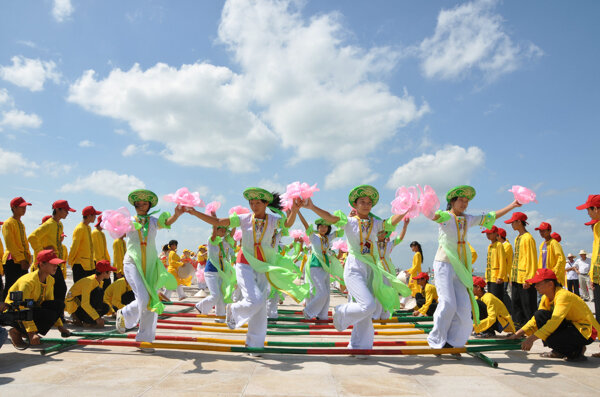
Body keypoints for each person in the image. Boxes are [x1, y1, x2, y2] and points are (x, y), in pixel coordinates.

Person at [186, 188, 304, 352]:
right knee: (254, 299)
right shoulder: (244, 218)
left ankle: (254, 343)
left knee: (261, 305)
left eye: (257, 203)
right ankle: (233, 309)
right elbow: (219, 221)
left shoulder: (273, 219)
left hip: (263, 266)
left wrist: (295, 211)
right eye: (251, 203)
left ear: (266, 204)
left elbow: (288, 224)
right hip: (244, 263)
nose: (254, 206)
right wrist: (195, 213)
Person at [302, 185, 411, 352]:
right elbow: (331, 218)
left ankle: (359, 346)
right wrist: (312, 207)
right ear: (355, 204)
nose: (366, 205)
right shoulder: (349, 221)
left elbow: (390, 222)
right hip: (354, 267)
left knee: (366, 311)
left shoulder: (375, 223)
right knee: (367, 305)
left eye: (369, 202)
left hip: (370, 268)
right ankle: (340, 311)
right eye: (362, 202)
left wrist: (407, 208)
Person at [425, 185, 519, 354]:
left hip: (461, 267)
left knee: (464, 307)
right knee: (447, 304)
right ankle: (436, 339)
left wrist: (512, 205)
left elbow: (490, 217)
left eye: (466, 201)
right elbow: (433, 216)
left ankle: (453, 342)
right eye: (461, 200)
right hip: (444, 264)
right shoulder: (446, 216)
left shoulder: (468, 219)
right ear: (452, 202)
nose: (464, 203)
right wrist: (425, 205)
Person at [114, 189, 183, 352]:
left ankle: (145, 339)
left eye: (144, 203)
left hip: (150, 266)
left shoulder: (152, 221)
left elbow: (167, 222)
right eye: (138, 203)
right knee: (144, 298)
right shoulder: (129, 220)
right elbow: (117, 231)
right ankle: (124, 313)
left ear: (149, 205)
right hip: (132, 262)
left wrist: (177, 214)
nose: (140, 205)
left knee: (152, 301)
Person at [509, 268, 600, 362]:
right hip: (571, 325)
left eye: (538, 283)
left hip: (587, 331)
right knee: (540, 315)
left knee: (551, 339)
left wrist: (531, 339)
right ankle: (560, 351)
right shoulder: (546, 297)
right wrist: (518, 334)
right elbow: (535, 320)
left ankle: (576, 352)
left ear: (550, 284)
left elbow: (554, 322)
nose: (535, 286)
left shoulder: (563, 296)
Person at [4, 249, 71, 348]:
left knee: (58, 305)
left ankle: (26, 332)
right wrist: (31, 333)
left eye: (57, 264)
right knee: (46, 313)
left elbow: (50, 304)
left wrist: (61, 327)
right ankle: (16, 331)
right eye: (53, 264)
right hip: (15, 312)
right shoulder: (28, 282)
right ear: (42, 264)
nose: (56, 267)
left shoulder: (50, 280)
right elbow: (23, 308)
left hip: (32, 308)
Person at [297, 212, 345, 320]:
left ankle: (322, 316)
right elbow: (305, 225)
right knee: (321, 293)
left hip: (325, 267)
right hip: (315, 266)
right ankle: (308, 311)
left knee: (326, 294)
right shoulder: (313, 237)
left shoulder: (328, 238)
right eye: (321, 226)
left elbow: (341, 230)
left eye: (326, 226)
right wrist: (298, 212)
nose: (323, 228)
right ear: (317, 228)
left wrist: (350, 216)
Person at [29, 200, 76, 307]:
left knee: (57, 288)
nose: (67, 213)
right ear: (57, 210)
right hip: (48, 263)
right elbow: (32, 237)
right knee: (57, 288)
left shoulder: (59, 225)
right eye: (66, 210)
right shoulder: (49, 224)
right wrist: (42, 252)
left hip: (55, 263)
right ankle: (54, 314)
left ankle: (56, 314)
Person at [194, 223, 235, 321]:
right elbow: (214, 232)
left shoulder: (224, 242)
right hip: (211, 272)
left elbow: (232, 234)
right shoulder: (211, 240)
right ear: (216, 230)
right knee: (215, 295)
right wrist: (215, 221)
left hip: (221, 272)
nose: (224, 232)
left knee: (221, 295)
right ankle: (200, 306)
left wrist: (235, 223)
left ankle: (220, 316)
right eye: (221, 230)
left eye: (225, 230)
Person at [504, 211, 537, 327]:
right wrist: (512, 277)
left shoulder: (528, 238)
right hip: (516, 277)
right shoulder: (518, 238)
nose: (511, 225)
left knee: (528, 305)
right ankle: (518, 326)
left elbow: (532, 259)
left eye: (513, 222)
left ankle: (531, 327)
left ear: (519, 222)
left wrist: (529, 279)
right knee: (516, 304)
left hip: (525, 278)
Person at [65, 260, 114, 327]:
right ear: (104, 273)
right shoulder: (89, 282)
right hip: (75, 308)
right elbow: (84, 304)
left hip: (81, 305)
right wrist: (97, 318)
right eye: (109, 271)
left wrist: (113, 311)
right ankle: (83, 319)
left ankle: (90, 319)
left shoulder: (98, 281)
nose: (111, 272)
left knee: (105, 307)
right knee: (98, 292)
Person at [2, 197, 33, 300]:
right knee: (10, 287)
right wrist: (21, 259)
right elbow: (10, 245)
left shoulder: (21, 224)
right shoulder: (8, 223)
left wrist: (28, 258)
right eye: (22, 207)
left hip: (22, 260)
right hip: (13, 260)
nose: (24, 209)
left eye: (25, 207)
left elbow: (25, 244)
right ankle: (3, 311)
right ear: (14, 208)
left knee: (20, 288)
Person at [482, 226, 506, 300]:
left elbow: (502, 261)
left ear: (496, 234)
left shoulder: (499, 245)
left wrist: (500, 276)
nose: (488, 235)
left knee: (497, 299)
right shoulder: (490, 246)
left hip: (496, 278)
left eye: (490, 233)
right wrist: (486, 275)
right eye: (487, 234)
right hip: (490, 277)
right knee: (491, 298)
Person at [91, 215, 112, 289]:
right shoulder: (94, 233)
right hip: (98, 263)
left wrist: (107, 262)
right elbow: (96, 250)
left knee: (107, 284)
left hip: (103, 263)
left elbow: (104, 250)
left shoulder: (102, 234)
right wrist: (100, 264)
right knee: (101, 284)